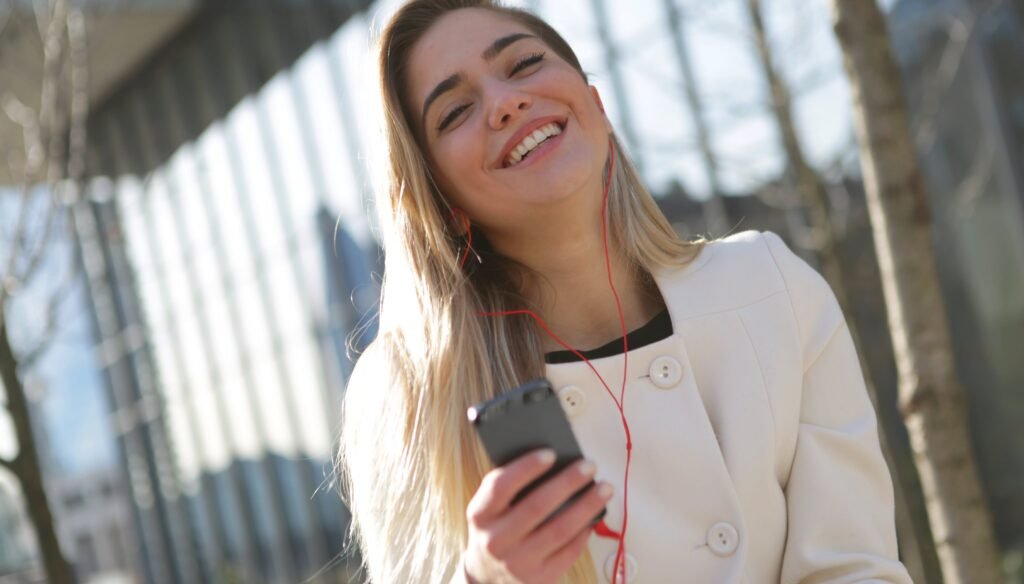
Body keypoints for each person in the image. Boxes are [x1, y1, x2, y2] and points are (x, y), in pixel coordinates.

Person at [335, 1, 914, 583]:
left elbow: (855, 568)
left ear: (596, 103)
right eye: (456, 111)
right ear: (443, 205)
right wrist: (486, 576)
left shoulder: (770, 288)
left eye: (524, 63)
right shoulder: (408, 397)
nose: (505, 102)